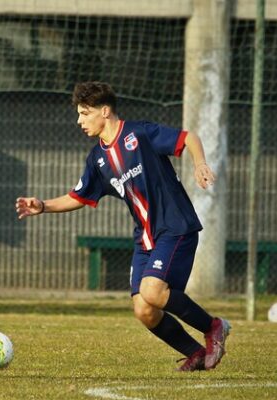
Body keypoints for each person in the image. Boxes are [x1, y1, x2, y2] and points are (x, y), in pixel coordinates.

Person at [16, 81, 230, 372]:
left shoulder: (139, 134)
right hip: (145, 238)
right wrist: (42, 205)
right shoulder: (97, 158)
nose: (79, 121)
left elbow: (188, 137)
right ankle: (195, 353)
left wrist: (199, 164)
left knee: (153, 291)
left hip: (174, 226)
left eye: (84, 113)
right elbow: (78, 196)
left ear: (104, 111)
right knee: (144, 309)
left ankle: (213, 326)